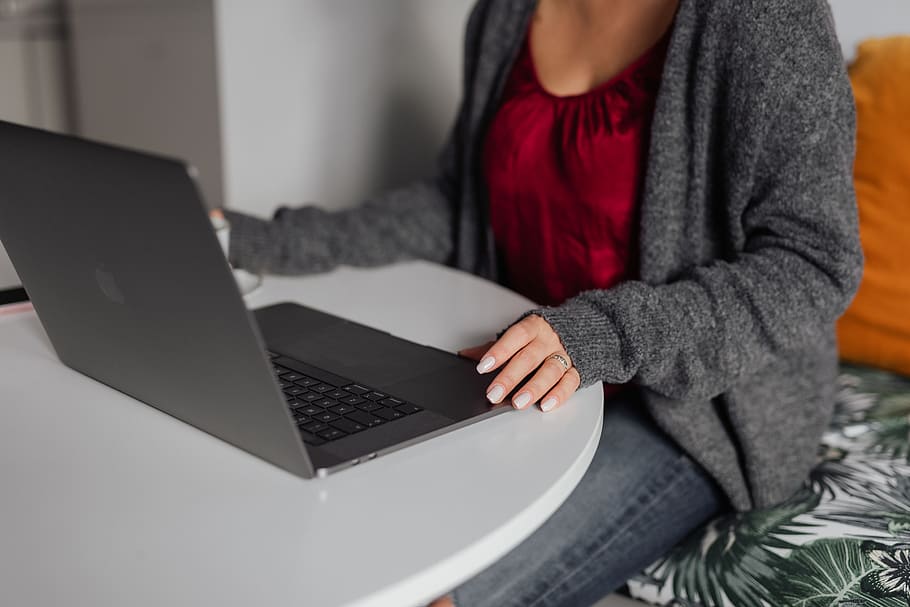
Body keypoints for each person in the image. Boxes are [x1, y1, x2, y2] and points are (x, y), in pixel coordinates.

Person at [218, 0, 863, 604]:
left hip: (688, 407)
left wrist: (600, 336)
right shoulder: (506, 12)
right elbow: (458, 201)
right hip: (527, 370)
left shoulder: (763, 17)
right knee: (316, 524)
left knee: (440, 590)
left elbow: (813, 263)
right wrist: (261, 241)